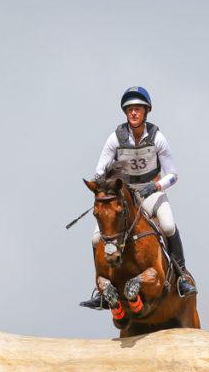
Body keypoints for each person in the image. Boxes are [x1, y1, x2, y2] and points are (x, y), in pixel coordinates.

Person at [81, 86, 197, 309]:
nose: (133, 113)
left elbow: (173, 175)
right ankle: (101, 291)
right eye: (130, 110)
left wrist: (154, 186)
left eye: (137, 109)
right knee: (96, 239)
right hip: (123, 196)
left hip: (151, 193)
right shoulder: (115, 138)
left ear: (146, 112)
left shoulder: (157, 138)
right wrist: (113, 182)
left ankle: (181, 277)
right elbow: (98, 172)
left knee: (168, 225)